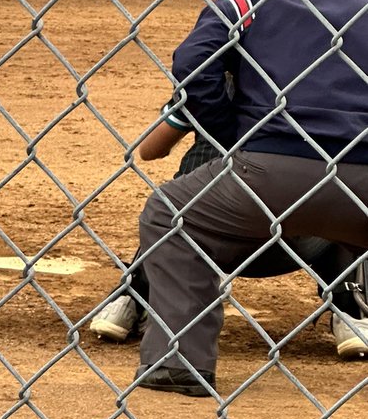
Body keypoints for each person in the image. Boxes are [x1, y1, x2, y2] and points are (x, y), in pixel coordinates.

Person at [132, 0, 368, 396]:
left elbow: (192, 63)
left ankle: (177, 361)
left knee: (168, 214)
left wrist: (230, 134)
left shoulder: (247, 3)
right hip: (363, 184)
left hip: (265, 176)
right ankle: (350, 306)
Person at [91, 113, 368, 361]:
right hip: (309, 239)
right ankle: (350, 306)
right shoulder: (344, 93)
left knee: (172, 208)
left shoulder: (210, 87)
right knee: (341, 180)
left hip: (208, 239)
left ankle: (133, 295)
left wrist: (201, 120)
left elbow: (149, 150)